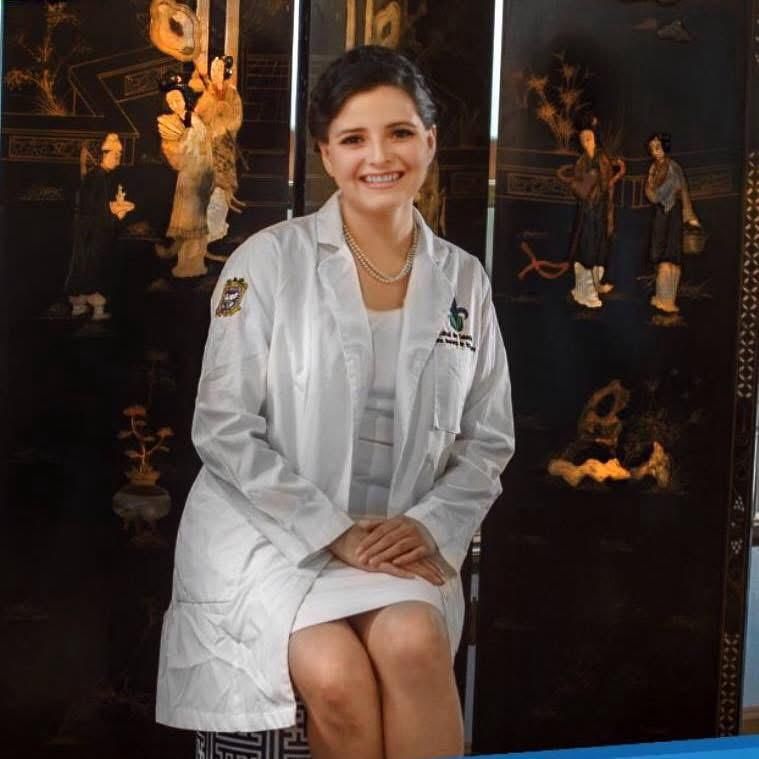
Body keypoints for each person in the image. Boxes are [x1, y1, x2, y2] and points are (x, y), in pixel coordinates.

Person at [156, 45, 514, 759]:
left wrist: (428, 525)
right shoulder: (269, 261)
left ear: (429, 141)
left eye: (399, 133)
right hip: (271, 538)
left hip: (399, 539)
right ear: (325, 153)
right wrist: (332, 531)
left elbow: (487, 439)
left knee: (414, 645)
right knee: (337, 676)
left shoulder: (463, 280)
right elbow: (224, 428)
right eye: (354, 139)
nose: (379, 156)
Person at [65, 132, 135, 320]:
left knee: (83, 265)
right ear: (102, 155)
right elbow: (97, 209)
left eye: (119, 154)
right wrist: (117, 214)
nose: (117, 158)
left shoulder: (97, 175)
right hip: (92, 231)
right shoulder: (98, 176)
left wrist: (111, 208)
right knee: (94, 266)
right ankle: (95, 309)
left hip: (87, 228)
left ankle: (79, 306)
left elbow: (97, 204)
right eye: (114, 154)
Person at [557, 124, 626, 309]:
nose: (587, 141)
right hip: (587, 211)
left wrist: (616, 173)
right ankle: (585, 293)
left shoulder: (603, 159)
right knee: (586, 247)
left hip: (601, 210)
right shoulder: (581, 162)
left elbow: (607, 182)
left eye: (589, 138)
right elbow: (580, 187)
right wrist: (584, 182)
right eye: (584, 139)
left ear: (594, 139)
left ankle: (596, 284)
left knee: (600, 246)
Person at [156, 76, 214, 278]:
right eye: (170, 101)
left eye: (177, 100)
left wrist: (177, 146)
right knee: (186, 220)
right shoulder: (179, 121)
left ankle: (193, 265)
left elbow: (191, 148)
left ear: (185, 99)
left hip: (196, 176)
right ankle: (184, 263)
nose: (174, 104)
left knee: (193, 220)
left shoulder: (194, 121)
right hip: (187, 175)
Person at [645, 132, 700, 314]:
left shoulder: (673, 168)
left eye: (658, 147)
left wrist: (690, 217)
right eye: (652, 148)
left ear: (665, 147)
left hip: (673, 212)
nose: (654, 151)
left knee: (671, 254)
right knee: (658, 253)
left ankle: (668, 301)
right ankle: (660, 298)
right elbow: (649, 192)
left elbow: (676, 191)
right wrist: (653, 193)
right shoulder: (653, 168)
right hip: (660, 213)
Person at [195, 54, 245, 244]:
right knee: (205, 188)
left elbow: (236, 119)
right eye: (213, 69)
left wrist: (224, 125)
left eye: (218, 69)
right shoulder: (208, 93)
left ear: (226, 72)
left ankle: (215, 233)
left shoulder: (232, 94)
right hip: (208, 147)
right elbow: (198, 114)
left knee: (221, 190)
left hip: (224, 149)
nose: (215, 72)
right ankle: (203, 233)